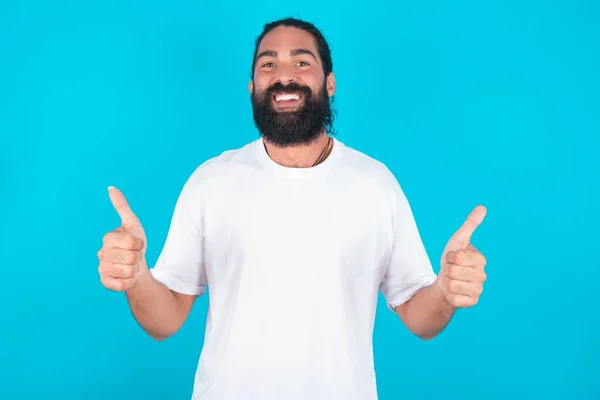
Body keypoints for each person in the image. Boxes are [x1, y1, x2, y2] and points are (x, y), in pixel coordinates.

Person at [97, 17, 488, 400]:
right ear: (252, 87)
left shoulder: (375, 184)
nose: (284, 75)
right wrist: (136, 278)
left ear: (329, 83)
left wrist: (445, 291)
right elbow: (164, 320)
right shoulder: (211, 181)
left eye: (302, 61)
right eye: (268, 64)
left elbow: (420, 319)